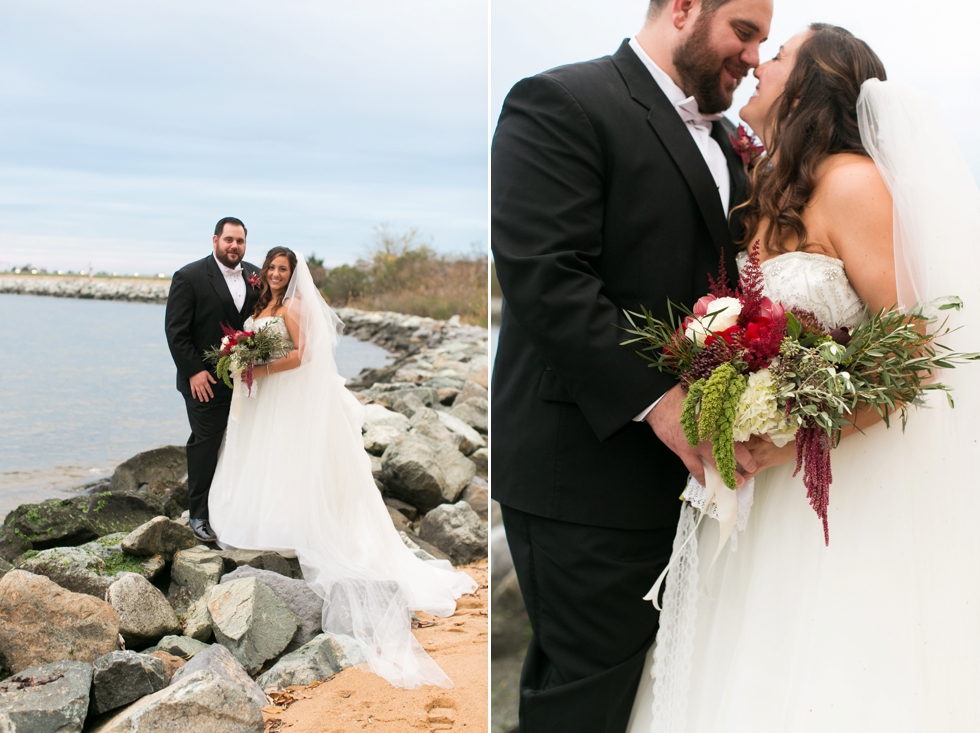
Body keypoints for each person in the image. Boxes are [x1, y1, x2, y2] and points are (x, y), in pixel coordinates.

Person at [628, 24, 980, 732]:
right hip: (763, 490)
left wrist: (794, 432)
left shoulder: (851, 183)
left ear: (813, 81)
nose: (760, 62)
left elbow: (911, 353)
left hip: (836, 487)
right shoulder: (771, 196)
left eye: (779, 52)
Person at [491, 0, 772, 729]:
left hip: (692, 475)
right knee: (587, 689)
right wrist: (664, 403)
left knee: (665, 679)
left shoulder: (737, 142)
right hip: (584, 467)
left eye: (764, 41)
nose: (753, 56)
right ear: (681, 8)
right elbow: (546, 277)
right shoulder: (559, 102)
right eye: (743, 31)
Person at [207, 246, 477, 690]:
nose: (275, 274)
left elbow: (303, 355)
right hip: (264, 398)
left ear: (293, 274)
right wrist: (241, 354)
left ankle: (289, 526)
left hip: (283, 392)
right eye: (271, 268)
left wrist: (256, 362)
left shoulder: (293, 305)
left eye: (282, 269)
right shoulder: (264, 305)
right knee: (265, 457)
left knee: (286, 458)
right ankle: (260, 520)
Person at [165, 217, 261, 542]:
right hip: (203, 379)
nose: (234, 246)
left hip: (245, 378)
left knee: (239, 442)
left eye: (240, 241)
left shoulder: (254, 275)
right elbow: (176, 332)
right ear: (215, 240)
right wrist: (193, 370)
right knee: (206, 441)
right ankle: (199, 515)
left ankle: (231, 508)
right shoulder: (189, 276)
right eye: (229, 240)